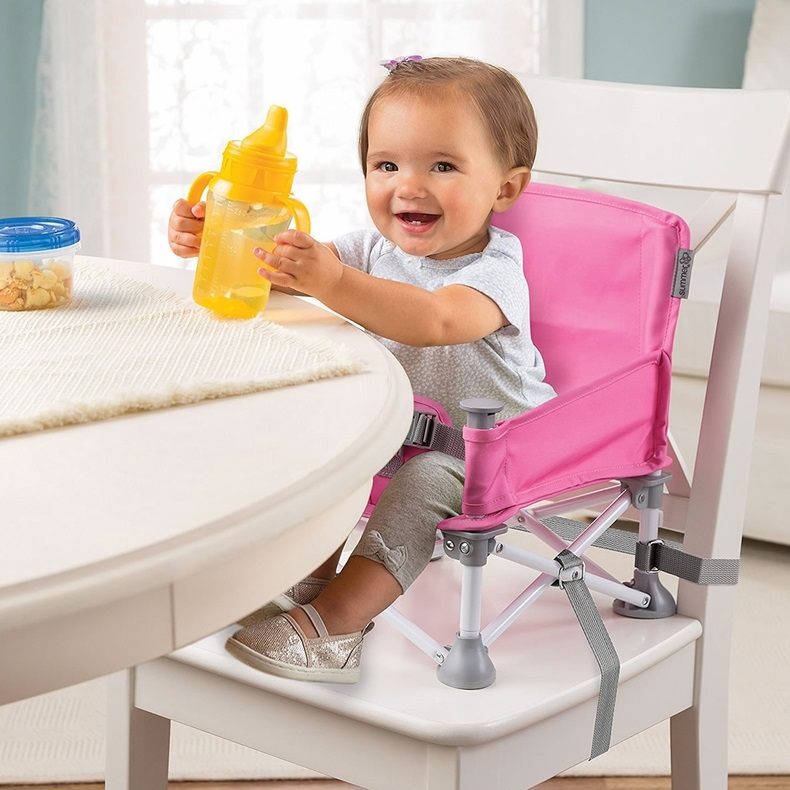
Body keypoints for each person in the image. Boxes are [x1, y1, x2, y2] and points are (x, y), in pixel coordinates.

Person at [167, 55, 556, 684]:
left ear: (505, 190)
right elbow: (285, 271)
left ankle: (337, 625)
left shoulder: (495, 271)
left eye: (443, 166)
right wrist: (220, 234)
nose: (409, 186)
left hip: (493, 449)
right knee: (324, 443)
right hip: (395, 430)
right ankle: (304, 578)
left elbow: (435, 320)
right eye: (387, 165)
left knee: (426, 481)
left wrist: (333, 281)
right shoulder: (371, 249)